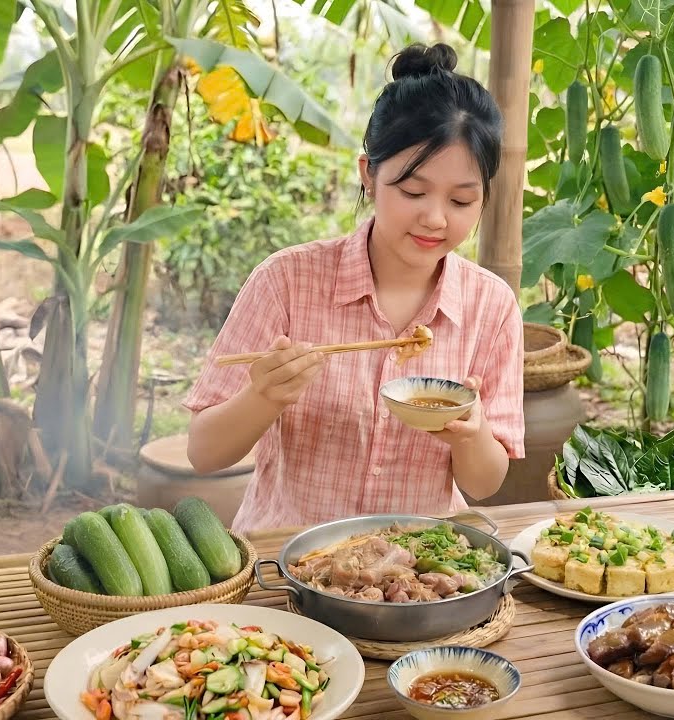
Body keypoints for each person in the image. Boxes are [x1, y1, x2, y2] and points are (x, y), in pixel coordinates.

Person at [182, 42, 525, 534]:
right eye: (413, 191)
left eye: (461, 201)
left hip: (415, 564)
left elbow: (486, 483)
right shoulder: (286, 281)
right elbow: (203, 452)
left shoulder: (491, 306)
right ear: (369, 174)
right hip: (286, 556)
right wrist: (264, 396)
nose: (435, 218)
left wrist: (471, 436)